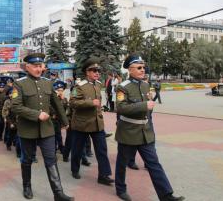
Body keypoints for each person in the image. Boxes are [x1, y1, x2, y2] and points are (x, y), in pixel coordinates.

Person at [115, 54, 184, 201]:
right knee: (122, 163)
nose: (142, 70)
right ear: (130, 70)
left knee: (154, 163)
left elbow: (148, 110)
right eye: (139, 67)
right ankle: (120, 189)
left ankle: (166, 195)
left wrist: (148, 110)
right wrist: (144, 105)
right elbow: (120, 108)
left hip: (145, 132)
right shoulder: (123, 87)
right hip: (128, 132)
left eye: (143, 67)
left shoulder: (146, 85)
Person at [11, 53, 73, 201]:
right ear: (27, 67)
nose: (39, 69)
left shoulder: (47, 83)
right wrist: (36, 114)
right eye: (35, 66)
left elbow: (56, 103)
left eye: (41, 66)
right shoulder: (19, 83)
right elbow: (16, 107)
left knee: (51, 160)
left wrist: (65, 121)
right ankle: (27, 186)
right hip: (27, 129)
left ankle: (58, 193)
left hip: (47, 129)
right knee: (27, 160)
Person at [69, 57, 114, 186]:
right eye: (94, 70)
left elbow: (98, 102)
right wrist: (90, 103)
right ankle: (75, 169)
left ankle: (103, 175)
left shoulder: (99, 84)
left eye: (98, 70)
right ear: (87, 72)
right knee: (77, 149)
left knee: (102, 150)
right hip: (82, 124)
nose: (97, 73)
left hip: (96, 123)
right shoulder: (79, 86)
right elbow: (72, 102)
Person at [2, 87, 21, 156]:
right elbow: (7, 115)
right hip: (12, 122)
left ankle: (18, 152)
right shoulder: (10, 104)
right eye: (12, 94)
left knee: (18, 137)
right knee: (10, 135)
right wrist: (10, 123)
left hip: (19, 123)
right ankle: (8, 144)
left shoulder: (20, 104)